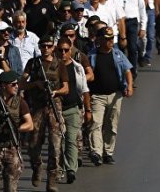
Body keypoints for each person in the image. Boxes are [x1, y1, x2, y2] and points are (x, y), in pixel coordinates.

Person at [20, 36, 68, 191]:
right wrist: (35, 84)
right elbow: (21, 84)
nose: (46, 49)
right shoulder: (33, 64)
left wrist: (56, 92)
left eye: (48, 46)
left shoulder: (60, 64)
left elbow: (66, 88)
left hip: (54, 106)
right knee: (33, 144)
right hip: (37, 107)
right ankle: (37, 166)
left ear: (53, 47)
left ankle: (52, 179)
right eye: (43, 46)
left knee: (55, 145)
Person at [0, 71, 34, 192]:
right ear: (3, 85)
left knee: (11, 187)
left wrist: (15, 128)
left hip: (11, 147)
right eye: (13, 84)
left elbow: (30, 125)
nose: (17, 87)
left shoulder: (20, 102)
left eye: (17, 84)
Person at [87, 26, 133, 167]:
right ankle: (97, 153)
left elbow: (127, 71)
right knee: (96, 124)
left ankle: (108, 152)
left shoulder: (118, 54)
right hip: (97, 97)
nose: (110, 41)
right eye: (107, 39)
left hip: (115, 95)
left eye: (112, 38)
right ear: (99, 40)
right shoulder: (91, 56)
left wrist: (129, 86)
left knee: (111, 126)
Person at [56, 37, 90, 185]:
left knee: (71, 140)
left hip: (73, 109)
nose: (63, 53)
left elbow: (84, 90)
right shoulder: (53, 68)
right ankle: (61, 169)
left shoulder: (77, 67)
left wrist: (87, 109)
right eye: (60, 50)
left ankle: (71, 170)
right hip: (56, 111)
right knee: (59, 142)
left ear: (71, 50)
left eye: (66, 50)